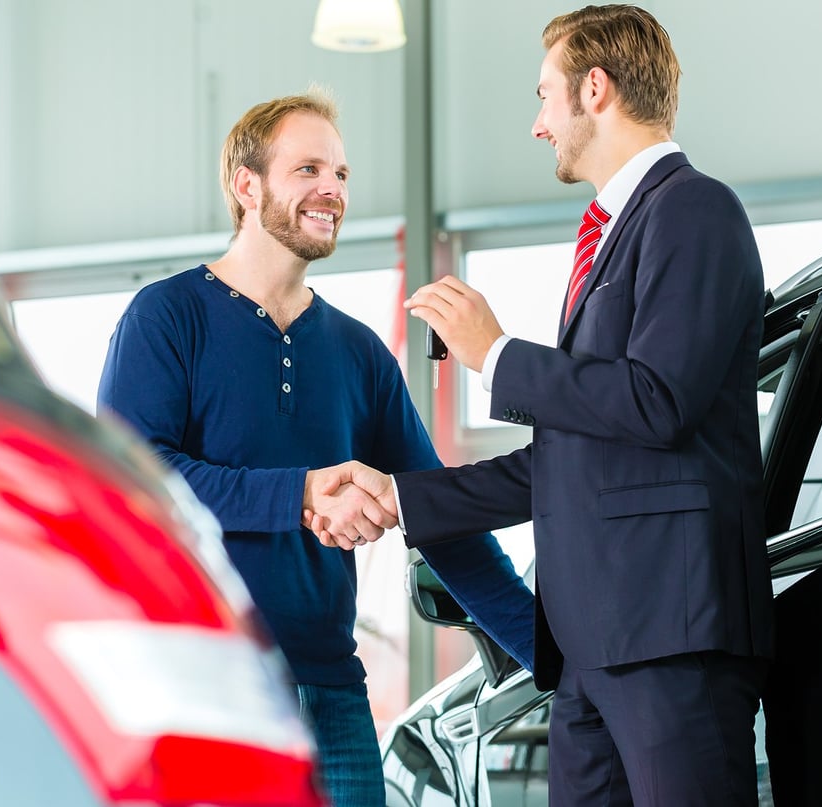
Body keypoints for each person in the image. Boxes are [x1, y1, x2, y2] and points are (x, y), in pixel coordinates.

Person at [307, 6, 775, 805]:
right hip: (589, 653)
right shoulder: (608, 233)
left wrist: (496, 352)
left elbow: (658, 402)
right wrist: (401, 495)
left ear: (596, 89)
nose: (537, 124)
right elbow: (574, 454)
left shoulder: (694, 211)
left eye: (544, 96)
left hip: (670, 639)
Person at [96, 92, 534, 807]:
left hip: (334, 698)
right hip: (208, 691)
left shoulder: (359, 353)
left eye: (341, 173)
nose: (333, 189)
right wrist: (298, 493)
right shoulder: (165, 318)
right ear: (248, 185)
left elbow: (444, 522)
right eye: (308, 168)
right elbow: (133, 481)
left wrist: (559, 657)